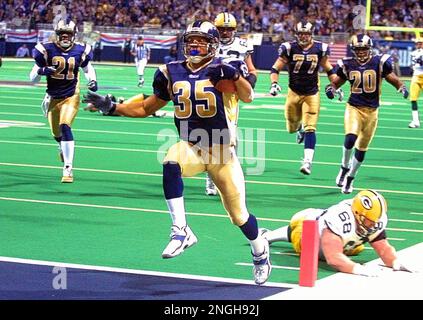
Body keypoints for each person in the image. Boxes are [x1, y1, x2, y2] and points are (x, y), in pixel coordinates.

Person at [82, 20, 271, 285]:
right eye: (191, 39)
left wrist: (236, 76)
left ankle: (260, 249)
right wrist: (112, 107)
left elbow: (248, 96)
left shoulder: (224, 68)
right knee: (171, 161)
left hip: (221, 151)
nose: (194, 44)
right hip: (192, 146)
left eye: (201, 41)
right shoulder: (170, 71)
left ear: (213, 45)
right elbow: (146, 108)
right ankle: (181, 230)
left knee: (239, 216)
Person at [260, 189, 413, 276]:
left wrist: (395, 262)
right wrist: (359, 269)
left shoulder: (374, 219)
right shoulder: (340, 218)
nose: (372, 225)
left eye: (375, 221)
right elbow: (333, 258)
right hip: (307, 227)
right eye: (368, 221)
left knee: (357, 248)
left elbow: (383, 247)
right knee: (301, 237)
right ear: (357, 213)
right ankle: (268, 236)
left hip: (338, 238)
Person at [326, 34, 409, 194]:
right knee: (350, 137)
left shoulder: (379, 62)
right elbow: (336, 82)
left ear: (369, 48)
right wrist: (331, 89)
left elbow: (392, 78)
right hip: (354, 107)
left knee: (362, 149)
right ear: (354, 50)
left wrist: (401, 86)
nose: (361, 52)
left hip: (372, 111)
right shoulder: (348, 64)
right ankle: (344, 167)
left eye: (364, 48)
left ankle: (350, 178)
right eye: (358, 49)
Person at [269, 21, 343, 176]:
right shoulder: (289, 48)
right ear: (296, 34)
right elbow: (276, 67)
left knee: (311, 127)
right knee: (291, 127)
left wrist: (336, 85)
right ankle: (299, 129)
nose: (303, 36)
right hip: (293, 92)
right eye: (301, 34)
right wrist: (274, 83)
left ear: (311, 34)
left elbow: (329, 69)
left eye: (306, 34)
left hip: (312, 93)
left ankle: (307, 161)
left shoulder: (320, 48)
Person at [29, 19, 98, 183]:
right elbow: (32, 79)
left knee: (65, 126)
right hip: (53, 96)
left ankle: (68, 168)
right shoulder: (45, 50)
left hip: (71, 95)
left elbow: (87, 68)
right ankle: (61, 145)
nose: (65, 37)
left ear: (74, 35)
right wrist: (42, 70)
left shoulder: (81, 50)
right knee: (56, 133)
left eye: (68, 34)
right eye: (62, 34)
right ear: (57, 34)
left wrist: (93, 80)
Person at [200, 12, 259, 197]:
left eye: (229, 29)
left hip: (231, 95)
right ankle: (213, 178)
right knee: (213, 137)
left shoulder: (242, 45)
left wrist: (248, 83)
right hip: (210, 92)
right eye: (222, 29)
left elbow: (252, 70)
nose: (225, 32)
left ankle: (224, 175)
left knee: (230, 139)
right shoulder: (208, 44)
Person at [408, 37, 423, 128]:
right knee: (413, 99)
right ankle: (415, 121)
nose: (419, 45)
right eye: (418, 43)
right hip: (416, 77)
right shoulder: (413, 53)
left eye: (421, 43)